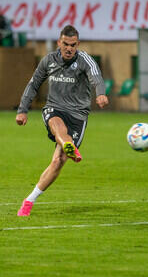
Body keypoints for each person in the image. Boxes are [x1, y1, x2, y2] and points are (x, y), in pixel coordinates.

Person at [15, 25, 109, 216]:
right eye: (65, 44)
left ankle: (28, 200)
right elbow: (33, 84)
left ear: (78, 44)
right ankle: (69, 145)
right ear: (59, 42)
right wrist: (22, 110)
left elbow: (96, 77)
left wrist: (100, 94)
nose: (69, 48)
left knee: (58, 162)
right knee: (56, 124)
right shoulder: (49, 60)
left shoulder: (85, 60)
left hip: (78, 115)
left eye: (72, 45)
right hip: (55, 108)